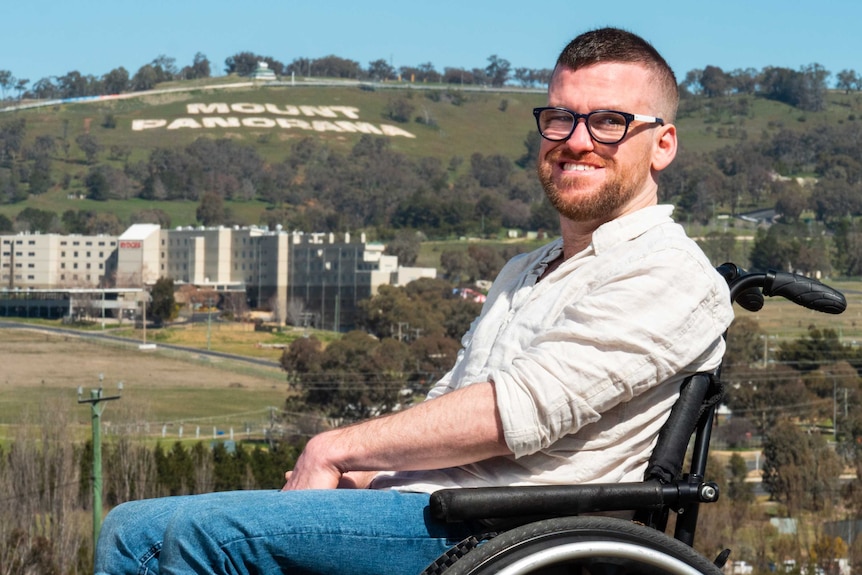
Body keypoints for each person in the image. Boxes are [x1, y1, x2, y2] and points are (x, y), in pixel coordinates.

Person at [95, 27, 734, 575]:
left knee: (182, 537)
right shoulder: (526, 269)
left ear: (664, 144)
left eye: (610, 121)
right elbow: (447, 408)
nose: (576, 139)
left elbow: (517, 413)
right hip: (431, 509)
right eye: (560, 117)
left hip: (507, 532)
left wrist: (336, 449)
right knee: (133, 526)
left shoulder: (667, 271)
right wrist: (364, 475)